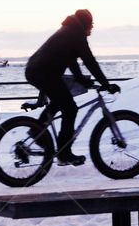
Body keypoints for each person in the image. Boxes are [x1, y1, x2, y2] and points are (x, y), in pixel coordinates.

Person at [25, 9, 119, 166]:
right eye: (91, 24)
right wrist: (106, 84)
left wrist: (82, 80)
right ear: (85, 23)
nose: (92, 28)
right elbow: (89, 61)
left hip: (37, 70)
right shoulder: (75, 34)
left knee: (58, 102)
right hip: (43, 72)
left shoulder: (69, 31)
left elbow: (71, 61)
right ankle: (64, 153)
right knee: (70, 109)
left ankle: (37, 132)